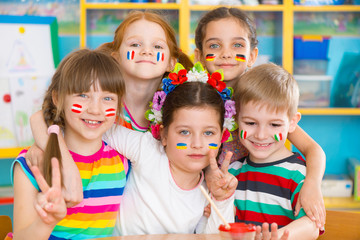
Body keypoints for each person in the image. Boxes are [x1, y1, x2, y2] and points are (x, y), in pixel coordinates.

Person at [26, 10, 194, 206]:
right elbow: (42, 118)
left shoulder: (173, 110)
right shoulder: (99, 108)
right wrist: (51, 152)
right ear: (116, 57)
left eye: (157, 46)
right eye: (135, 44)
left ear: (171, 62)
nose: (146, 51)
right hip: (98, 216)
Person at [193, 7, 326, 228]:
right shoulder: (197, 100)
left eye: (237, 45)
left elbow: (314, 150)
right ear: (198, 56)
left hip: (263, 190)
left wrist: (311, 185)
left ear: (253, 55)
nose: (226, 53)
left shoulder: (262, 100)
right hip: (217, 199)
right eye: (215, 45)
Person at [11, 49, 128, 239]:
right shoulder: (31, 164)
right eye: (82, 95)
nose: (95, 109)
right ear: (57, 99)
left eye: (107, 98)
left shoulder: (122, 162)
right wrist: (46, 221)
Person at [229, 63, 320, 239]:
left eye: (274, 125)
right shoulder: (233, 171)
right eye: (250, 123)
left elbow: (312, 225)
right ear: (236, 118)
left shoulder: (298, 174)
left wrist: (277, 237)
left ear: (292, 122)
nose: (261, 135)